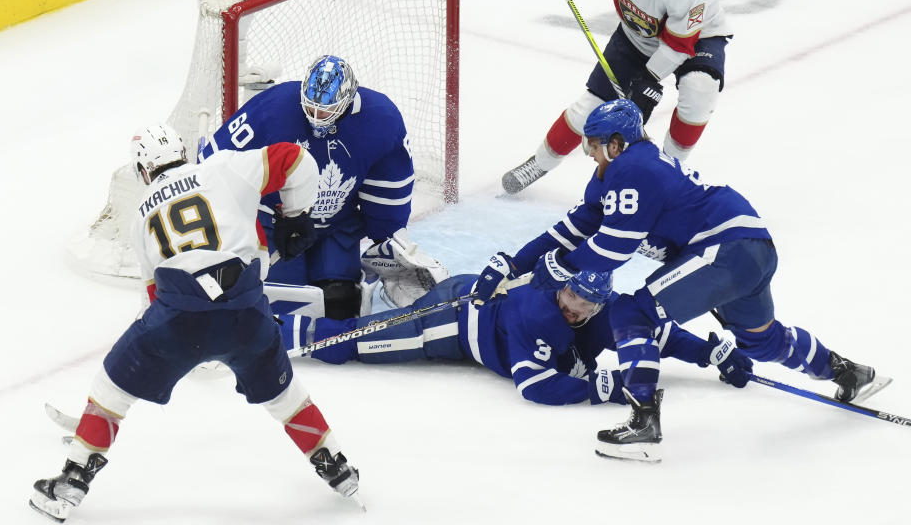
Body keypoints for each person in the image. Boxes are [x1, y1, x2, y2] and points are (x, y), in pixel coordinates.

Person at [477, 100, 889, 461]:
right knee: (761, 339)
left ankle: (643, 424)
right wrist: (515, 263)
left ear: (616, 143)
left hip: (723, 247)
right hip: (749, 247)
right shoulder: (619, 173)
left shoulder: (632, 168)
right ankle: (850, 373)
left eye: (595, 145)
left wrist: (562, 265)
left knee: (630, 312)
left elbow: (613, 249)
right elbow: (572, 228)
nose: (591, 154)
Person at [29, 125, 362, 522]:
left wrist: (181, 348)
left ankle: (72, 481)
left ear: (142, 170)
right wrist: (295, 217)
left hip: (178, 320)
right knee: (285, 395)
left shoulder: (141, 214)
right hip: (247, 309)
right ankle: (337, 468)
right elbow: (295, 158)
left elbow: (153, 299)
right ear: (183, 151)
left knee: (110, 389)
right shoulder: (222, 167)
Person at [502, 0, 732, 194]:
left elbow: (678, 44)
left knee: (700, 90)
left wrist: (647, 81)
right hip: (637, 36)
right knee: (588, 109)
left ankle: (669, 174)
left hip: (699, 37)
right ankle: (539, 163)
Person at [200, 55, 447, 320]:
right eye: (311, 108)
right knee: (284, 305)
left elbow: (388, 185)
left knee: (340, 303)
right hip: (275, 224)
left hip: (337, 225)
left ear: (348, 102)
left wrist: (385, 239)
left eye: (326, 111)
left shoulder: (381, 120)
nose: (317, 117)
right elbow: (214, 166)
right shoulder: (272, 108)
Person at [276, 270, 753, 406]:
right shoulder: (540, 316)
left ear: (600, 305)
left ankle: (402, 281)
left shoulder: (609, 310)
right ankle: (276, 331)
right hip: (456, 322)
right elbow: (532, 384)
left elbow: (659, 333)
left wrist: (710, 354)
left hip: (483, 314)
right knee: (361, 343)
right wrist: (601, 389)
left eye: (582, 306)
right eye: (567, 296)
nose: (571, 308)